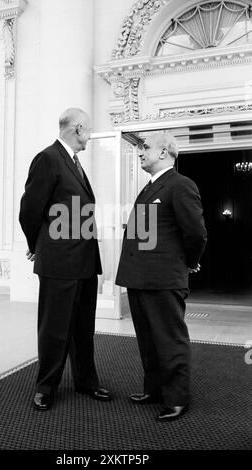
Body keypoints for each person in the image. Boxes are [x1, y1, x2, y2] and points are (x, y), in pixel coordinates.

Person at [19, 108, 112, 410]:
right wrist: (39, 245)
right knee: (55, 328)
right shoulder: (48, 158)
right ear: (78, 128)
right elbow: (29, 210)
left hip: (84, 262)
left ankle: (86, 381)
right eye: (88, 132)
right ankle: (46, 386)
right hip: (59, 261)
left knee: (83, 327)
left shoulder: (74, 162)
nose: (90, 138)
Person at [116, 132, 207, 422]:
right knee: (148, 340)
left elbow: (195, 233)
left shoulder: (181, 185)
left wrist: (189, 263)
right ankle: (154, 390)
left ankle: (177, 398)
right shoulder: (149, 188)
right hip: (140, 278)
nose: (140, 153)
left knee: (169, 340)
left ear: (165, 152)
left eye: (146, 148)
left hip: (164, 279)